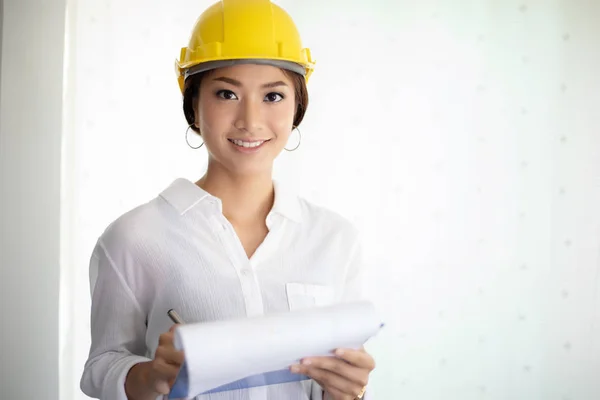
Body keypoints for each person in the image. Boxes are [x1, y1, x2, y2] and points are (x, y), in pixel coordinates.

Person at [79, 0, 376, 399]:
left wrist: (346, 392)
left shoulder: (336, 239)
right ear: (194, 107)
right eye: (226, 93)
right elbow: (102, 366)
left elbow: (338, 379)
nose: (250, 121)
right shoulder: (134, 237)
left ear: (297, 106)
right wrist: (152, 375)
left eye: (273, 96)